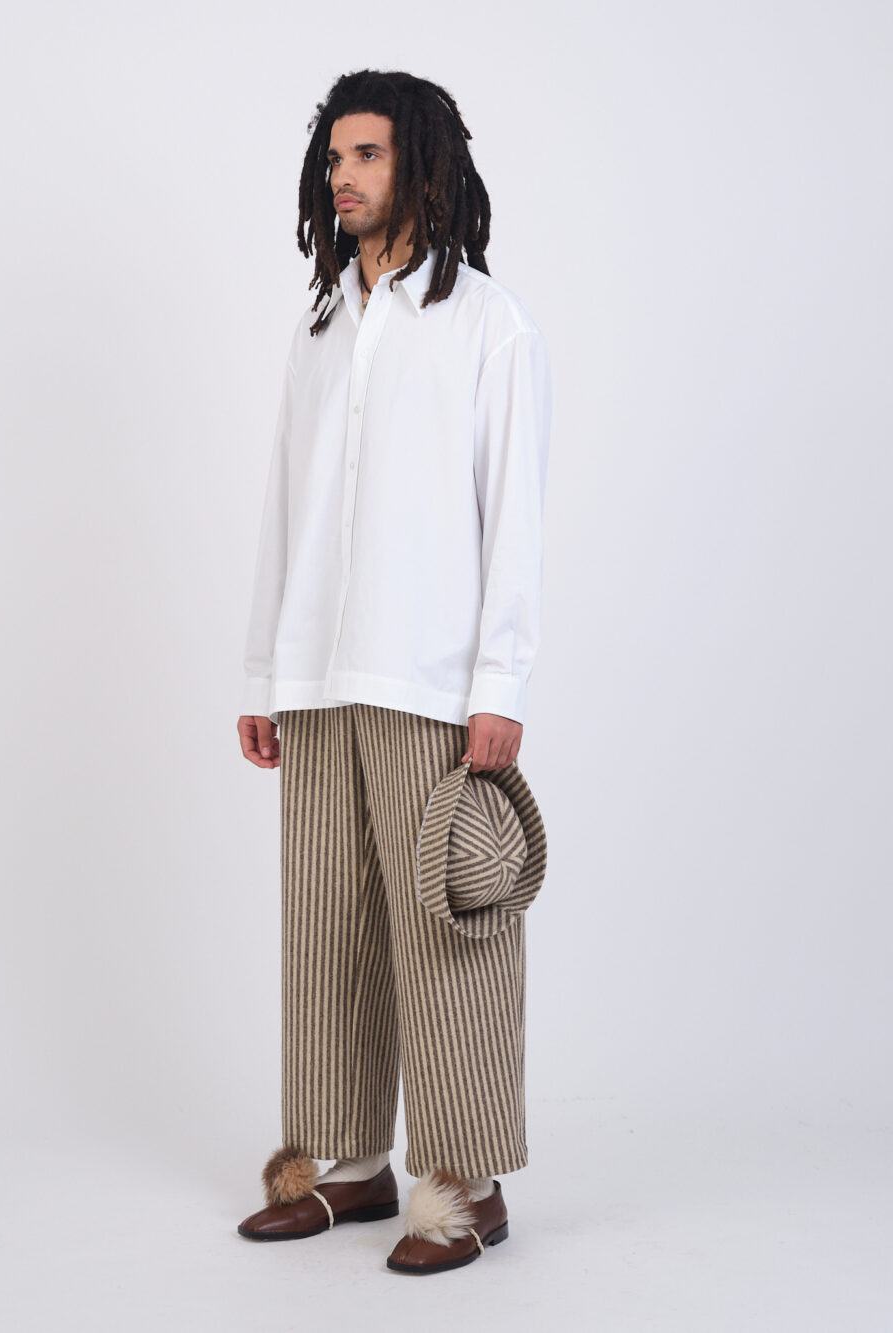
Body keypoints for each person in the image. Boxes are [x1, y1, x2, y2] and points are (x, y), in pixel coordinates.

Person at [235, 68, 551, 1275]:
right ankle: (350, 1159)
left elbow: (513, 513)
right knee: (327, 927)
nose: (343, 177)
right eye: (333, 158)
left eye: (365, 154)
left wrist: (499, 683)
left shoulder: (486, 324)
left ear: (419, 162)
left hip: (429, 678)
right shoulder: (320, 326)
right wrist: (263, 671)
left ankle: (465, 1179)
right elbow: (285, 504)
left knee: (445, 926)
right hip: (319, 674)